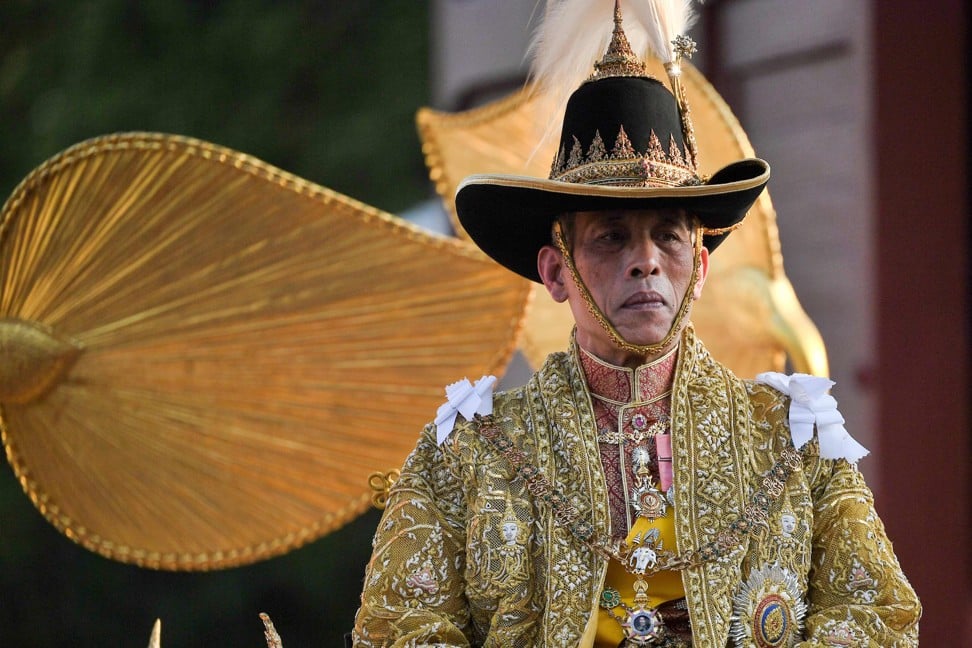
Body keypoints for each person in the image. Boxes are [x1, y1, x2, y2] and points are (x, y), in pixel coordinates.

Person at [352, 4, 920, 646]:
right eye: (612, 237)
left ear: (699, 267)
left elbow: (876, 616)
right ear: (555, 271)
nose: (645, 261)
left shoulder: (795, 443)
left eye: (668, 237)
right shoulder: (465, 456)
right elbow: (400, 628)